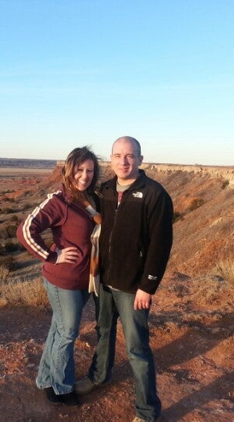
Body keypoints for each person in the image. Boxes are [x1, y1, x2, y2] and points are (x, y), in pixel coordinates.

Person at [75, 136, 174, 422]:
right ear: (111, 158)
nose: (123, 161)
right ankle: (98, 377)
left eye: (130, 156)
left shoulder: (155, 194)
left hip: (133, 287)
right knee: (103, 331)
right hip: (104, 281)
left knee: (137, 348)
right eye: (118, 156)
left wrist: (148, 285)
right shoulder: (105, 190)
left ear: (141, 159)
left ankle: (146, 411)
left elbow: (160, 244)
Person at [16, 146, 101, 407]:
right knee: (67, 334)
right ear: (69, 170)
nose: (84, 175)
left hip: (84, 281)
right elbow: (25, 230)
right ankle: (62, 388)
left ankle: (45, 379)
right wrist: (52, 256)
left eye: (89, 170)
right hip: (62, 280)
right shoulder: (60, 201)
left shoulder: (91, 200)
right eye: (79, 170)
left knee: (58, 330)